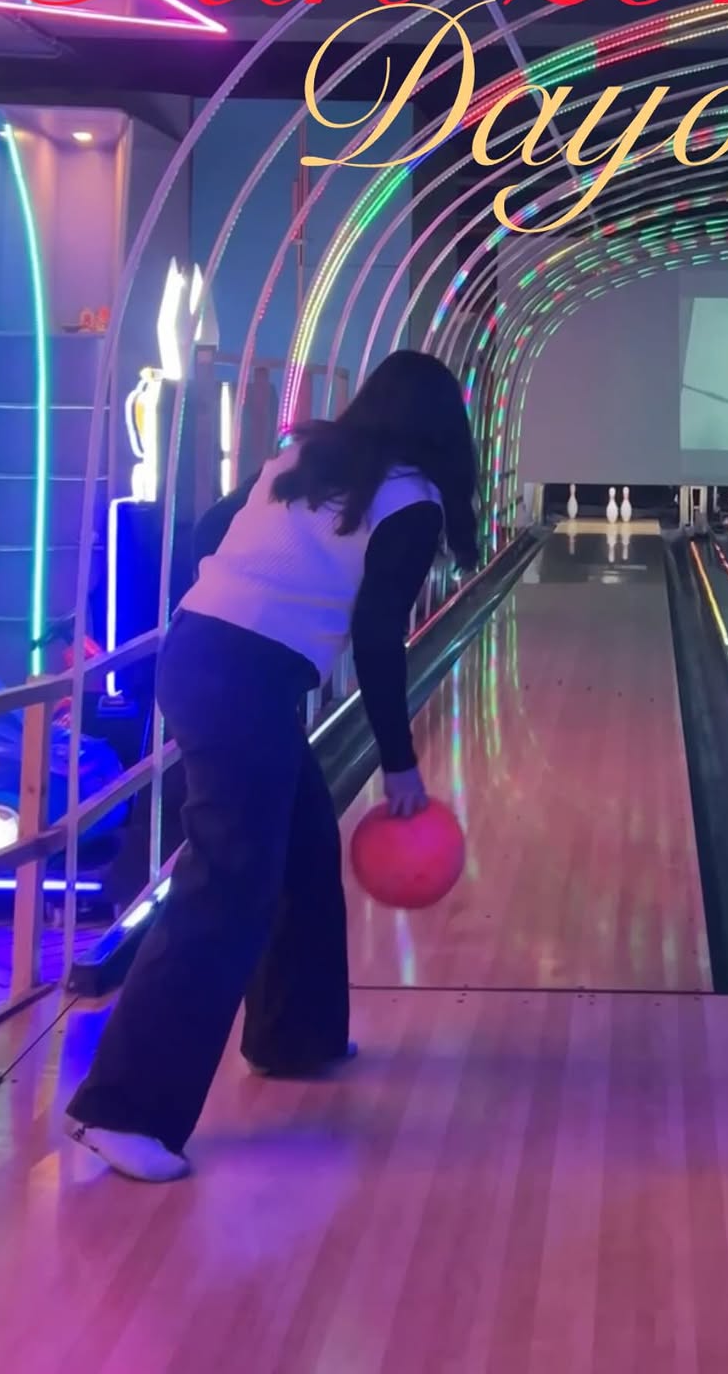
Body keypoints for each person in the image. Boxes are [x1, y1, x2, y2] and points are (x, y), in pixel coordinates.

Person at [66, 351, 479, 1183]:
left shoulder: (303, 456)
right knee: (226, 886)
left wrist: (234, 600)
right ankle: (120, 1111)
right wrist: (399, 764)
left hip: (203, 652)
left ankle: (295, 1035)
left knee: (302, 847)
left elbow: (207, 533)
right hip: (243, 680)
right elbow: (378, 639)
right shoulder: (412, 500)